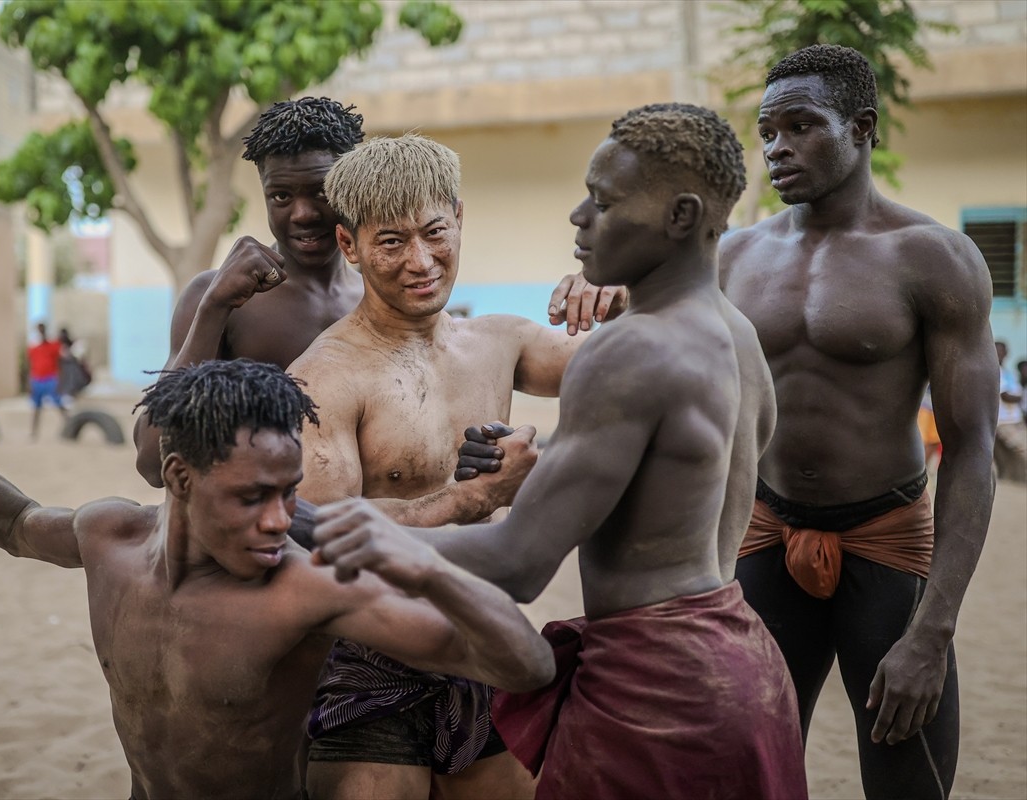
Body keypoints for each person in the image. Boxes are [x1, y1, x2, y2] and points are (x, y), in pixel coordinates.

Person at [313, 103, 806, 799]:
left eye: (601, 203)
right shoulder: (735, 333)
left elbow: (520, 557)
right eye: (392, 242)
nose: (578, 217)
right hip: (734, 652)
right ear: (351, 245)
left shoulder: (538, 342)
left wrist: (383, 527)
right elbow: (648, 436)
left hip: (630, 672)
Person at [0, 361, 554, 800]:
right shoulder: (108, 538)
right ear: (180, 479)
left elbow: (525, 667)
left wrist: (426, 568)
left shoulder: (305, 590)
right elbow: (12, 523)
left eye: (289, 493)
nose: (283, 520)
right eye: (254, 498)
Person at [287, 134, 621, 799]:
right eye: (390, 242)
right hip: (367, 655)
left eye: (434, 232)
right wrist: (473, 500)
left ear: (459, 219)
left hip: (478, 636)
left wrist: (623, 286)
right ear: (349, 245)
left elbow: (632, 365)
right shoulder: (324, 379)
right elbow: (322, 532)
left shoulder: (500, 341)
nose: (421, 261)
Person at [718, 45, 998, 799]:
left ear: (862, 127)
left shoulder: (933, 258)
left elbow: (972, 449)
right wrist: (593, 280)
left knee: (907, 775)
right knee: (748, 773)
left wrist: (932, 633)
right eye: (768, 130)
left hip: (887, 548)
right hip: (765, 538)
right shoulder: (732, 257)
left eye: (801, 126)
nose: (777, 147)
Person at [133, 97, 367, 487]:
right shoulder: (218, 297)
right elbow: (152, 461)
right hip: (251, 536)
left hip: (351, 535)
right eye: (281, 196)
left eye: (321, 193)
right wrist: (214, 307)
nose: (303, 213)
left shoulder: (376, 298)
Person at [27, 322, 69, 440]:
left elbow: (60, 363)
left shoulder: (53, 346)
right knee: (36, 407)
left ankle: (70, 425)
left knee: (59, 404)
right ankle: (34, 432)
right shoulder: (33, 348)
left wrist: (60, 380)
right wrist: (30, 383)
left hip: (50, 378)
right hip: (37, 379)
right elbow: (31, 366)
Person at [994, 341, 1026, 482]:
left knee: (1010, 453)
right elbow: (1005, 396)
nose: (999, 354)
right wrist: (1020, 397)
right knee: (1022, 448)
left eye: (1001, 351)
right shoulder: (994, 371)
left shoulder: (1008, 373)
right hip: (1005, 420)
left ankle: (1014, 478)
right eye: (997, 351)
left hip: (1013, 418)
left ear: (1006, 353)